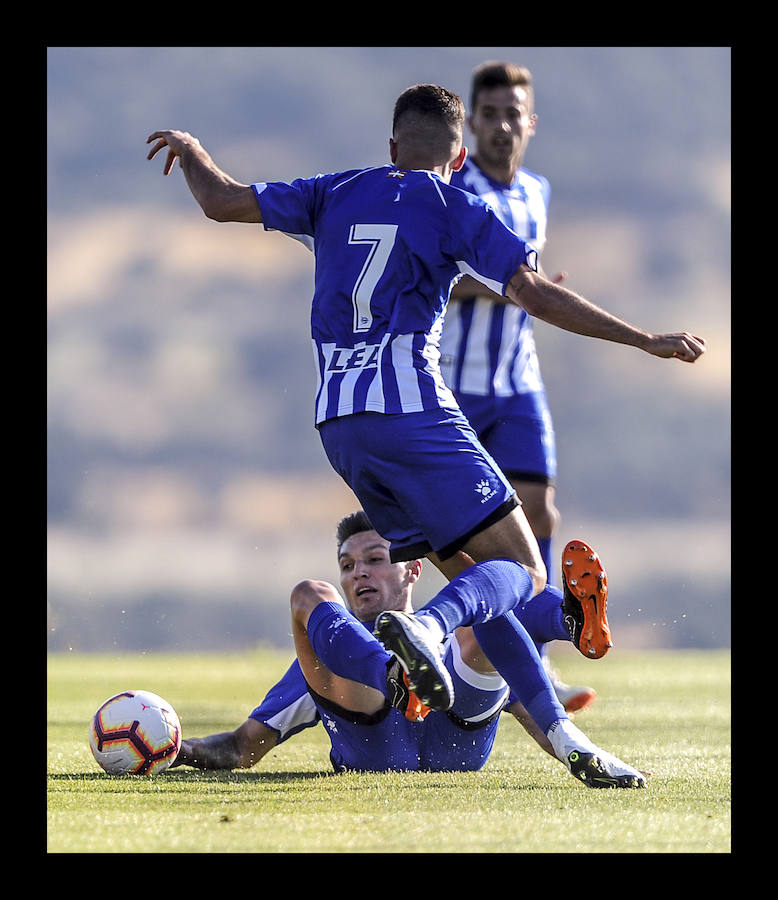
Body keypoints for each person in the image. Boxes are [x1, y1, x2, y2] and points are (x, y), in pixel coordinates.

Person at [147, 83, 704, 749]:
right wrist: (643, 337)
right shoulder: (456, 207)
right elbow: (535, 297)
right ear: (460, 154)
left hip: (339, 426)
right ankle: (442, 630)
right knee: (521, 564)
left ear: (391, 147)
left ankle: (561, 621)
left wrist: (195, 153)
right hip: (412, 412)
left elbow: (219, 201)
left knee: (474, 574)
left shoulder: (333, 190)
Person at [172, 510, 646, 787]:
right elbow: (241, 747)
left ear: (412, 570)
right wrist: (177, 749)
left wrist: (584, 758)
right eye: (348, 564)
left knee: (480, 614)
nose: (358, 572)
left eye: (375, 559)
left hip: (438, 727)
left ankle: (567, 618)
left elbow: (529, 708)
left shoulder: (458, 639)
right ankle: (558, 618)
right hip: (399, 731)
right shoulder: (332, 650)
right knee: (311, 595)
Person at [440, 61, 589, 710]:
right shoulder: (450, 188)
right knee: (459, 537)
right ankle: (445, 653)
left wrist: (531, 292)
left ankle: (538, 663)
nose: (502, 125)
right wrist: (517, 287)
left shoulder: (538, 192)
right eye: (490, 113)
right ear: (471, 121)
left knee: (540, 513)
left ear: (531, 122)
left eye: (513, 114)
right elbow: (438, 275)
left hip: (518, 381)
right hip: (455, 382)